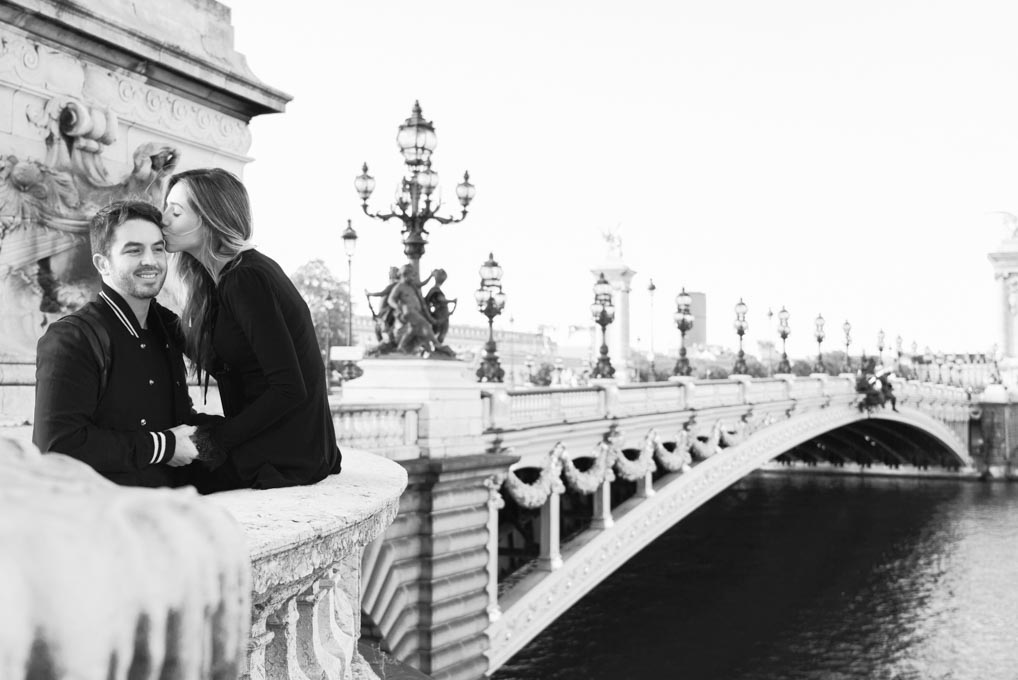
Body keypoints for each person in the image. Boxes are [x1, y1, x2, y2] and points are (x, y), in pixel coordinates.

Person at [161, 167, 341, 491]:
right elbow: (229, 365)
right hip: (280, 440)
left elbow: (289, 388)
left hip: (286, 452)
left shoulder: (245, 279)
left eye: (175, 211)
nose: (163, 220)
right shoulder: (226, 278)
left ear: (211, 217)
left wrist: (213, 442)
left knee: (151, 475)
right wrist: (146, 310)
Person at [33, 201, 213, 487]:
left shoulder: (166, 327)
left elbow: (179, 421)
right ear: (102, 263)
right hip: (109, 516)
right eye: (134, 250)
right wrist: (161, 446)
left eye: (157, 248)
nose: (150, 261)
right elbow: (56, 445)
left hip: (176, 503)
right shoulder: (71, 338)